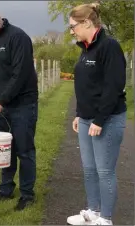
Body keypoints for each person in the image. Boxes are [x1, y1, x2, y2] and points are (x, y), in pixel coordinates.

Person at [65, 3, 127, 226]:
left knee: (104, 170)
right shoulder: (85, 49)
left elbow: (113, 86)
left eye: (73, 26)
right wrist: (80, 114)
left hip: (108, 119)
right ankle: (93, 211)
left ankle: (106, 218)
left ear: (87, 23)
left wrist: (99, 119)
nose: (71, 31)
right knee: (89, 169)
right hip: (86, 119)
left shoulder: (109, 47)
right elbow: (86, 86)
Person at [0, 5, 39, 211]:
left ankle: (27, 194)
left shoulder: (18, 38)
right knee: (5, 149)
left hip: (22, 105)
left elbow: (20, 74)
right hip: (0, 107)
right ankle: (6, 190)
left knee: (24, 150)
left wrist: (0, 101)